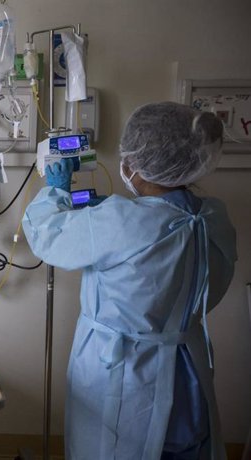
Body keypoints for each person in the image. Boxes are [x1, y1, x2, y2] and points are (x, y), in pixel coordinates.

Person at [22, 102, 237, 459]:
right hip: (188, 368)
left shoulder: (121, 222)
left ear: (136, 164)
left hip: (127, 372)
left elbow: (47, 235)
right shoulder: (213, 217)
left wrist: (56, 191)